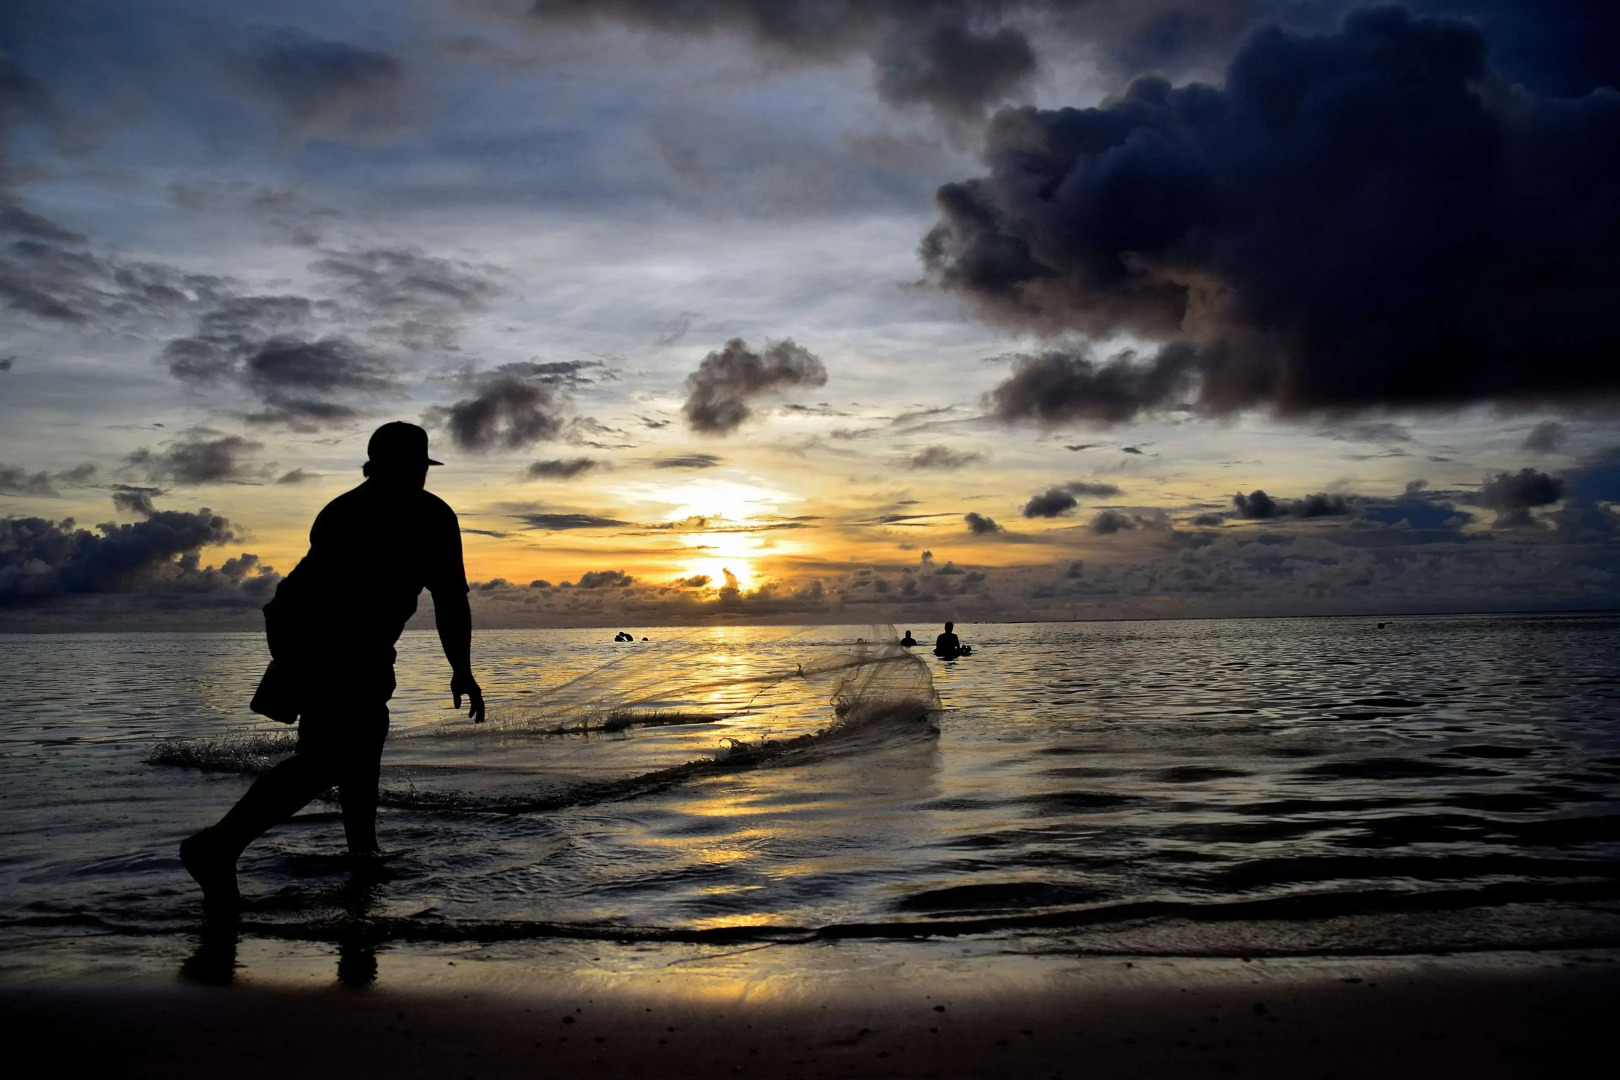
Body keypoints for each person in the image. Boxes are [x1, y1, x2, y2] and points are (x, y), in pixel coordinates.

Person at [180, 421, 485, 910]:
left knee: (363, 741)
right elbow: (439, 599)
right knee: (331, 756)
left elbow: (449, 600)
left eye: (417, 469)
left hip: (345, 639)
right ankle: (218, 846)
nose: (415, 477)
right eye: (406, 468)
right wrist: (459, 670)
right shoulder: (375, 515)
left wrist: (461, 668)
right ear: (379, 468)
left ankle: (362, 856)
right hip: (320, 636)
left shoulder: (411, 513)